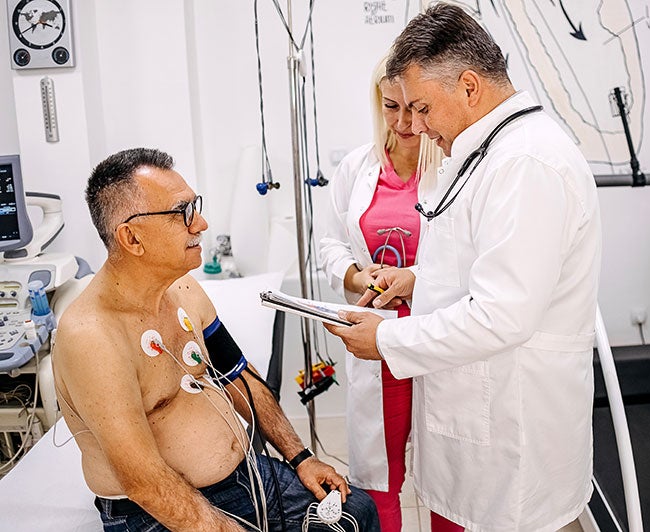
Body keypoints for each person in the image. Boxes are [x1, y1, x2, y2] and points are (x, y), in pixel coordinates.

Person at [325, 4, 602, 532]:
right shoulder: (487, 151)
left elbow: (503, 314)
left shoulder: (526, 162)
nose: (418, 127)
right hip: (472, 415)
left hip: (507, 428)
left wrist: (387, 339)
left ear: (470, 87)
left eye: (424, 108)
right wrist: (418, 280)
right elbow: (478, 268)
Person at [52, 148, 379, 531]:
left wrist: (301, 457)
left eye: (196, 206)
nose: (201, 223)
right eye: (183, 213)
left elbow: (239, 374)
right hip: (155, 512)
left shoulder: (184, 291)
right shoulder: (91, 338)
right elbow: (143, 483)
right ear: (132, 238)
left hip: (247, 478)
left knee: (357, 512)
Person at [319, 54, 441, 531]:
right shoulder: (357, 166)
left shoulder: (453, 168)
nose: (405, 122)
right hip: (376, 337)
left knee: (447, 472)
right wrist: (356, 275)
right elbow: (328, 242)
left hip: (437, 337)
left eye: (416, 107)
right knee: (378, 475)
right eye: (392, 107)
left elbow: (470, 260)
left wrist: (413, 276)